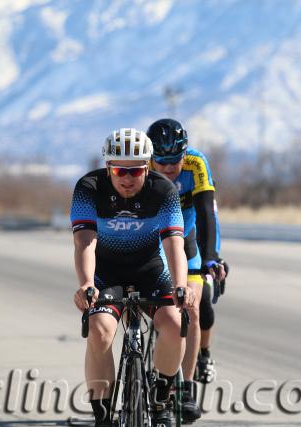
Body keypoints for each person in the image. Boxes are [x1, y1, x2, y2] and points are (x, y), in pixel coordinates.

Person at [70, 128, 195, 427]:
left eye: (136, 171)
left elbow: (174, 244)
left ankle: (162, 400)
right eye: (119, 170)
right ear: (108, 167)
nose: (127, 178)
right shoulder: (88, 188)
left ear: (147, 167)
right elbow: (85, 241)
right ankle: (102, 415)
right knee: (100, 331)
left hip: (150, 269)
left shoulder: (163, 191)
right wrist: (86, 283)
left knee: (176, 322)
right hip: (106, 273)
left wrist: (181, 284)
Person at [147, 118, 229, 422]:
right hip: (152, 241)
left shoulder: (196, 164)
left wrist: (211, 257)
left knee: (193, 308)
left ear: (185, 153)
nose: (169, 168)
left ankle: (186, 389)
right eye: (162, 162)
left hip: (187, 239)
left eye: (174, 161)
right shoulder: (141, 164)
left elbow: (207, 213)